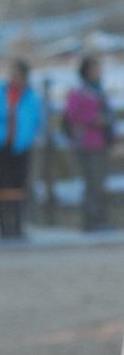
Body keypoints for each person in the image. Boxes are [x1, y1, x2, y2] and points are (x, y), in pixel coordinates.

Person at [0, 60, 43, 241]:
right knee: (1, 187)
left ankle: (18, 226)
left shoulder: (32, 97)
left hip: (21, 147)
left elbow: (37, 121)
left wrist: (27, 139)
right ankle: (2, 227)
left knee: (19, 187)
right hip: (2, 146)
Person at [65, 55, 115, 232]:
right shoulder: (78, 92)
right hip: (86, 143)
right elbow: (71, 115)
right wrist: (94, 119)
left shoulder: (99, 91)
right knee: (91, 183)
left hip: (101, 142)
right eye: (95, 68)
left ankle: (102, 219)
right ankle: (91, 221)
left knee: (101, 183)